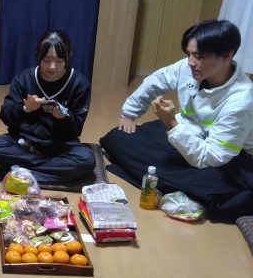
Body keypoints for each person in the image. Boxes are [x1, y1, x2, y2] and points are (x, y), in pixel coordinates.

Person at [100, 19, 253, 220]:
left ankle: (179, 184)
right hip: (187, 131)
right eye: (189, 54)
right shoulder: (188, 67)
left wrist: (170, 123)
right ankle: (172, 183)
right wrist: (129, 114)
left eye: (199, 56)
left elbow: (209, 157)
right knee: (117, 138)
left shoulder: (241, 100)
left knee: (215, 190)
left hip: (228, 158)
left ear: (226, 56)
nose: (190, 62)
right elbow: (155, 81)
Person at [0, 30, 95, 184]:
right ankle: (49, 171)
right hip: (25, 142)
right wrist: (25, 109)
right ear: (38, 56)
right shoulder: (24, 78)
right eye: (46, 60)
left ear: (69, 57)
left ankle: (23, 173)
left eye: (59, 61)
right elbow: (5, 115)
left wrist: (64, 119)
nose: (52, 67)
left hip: (60, 144)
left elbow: (76, 130)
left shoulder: (80, 83)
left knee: (87, 159)